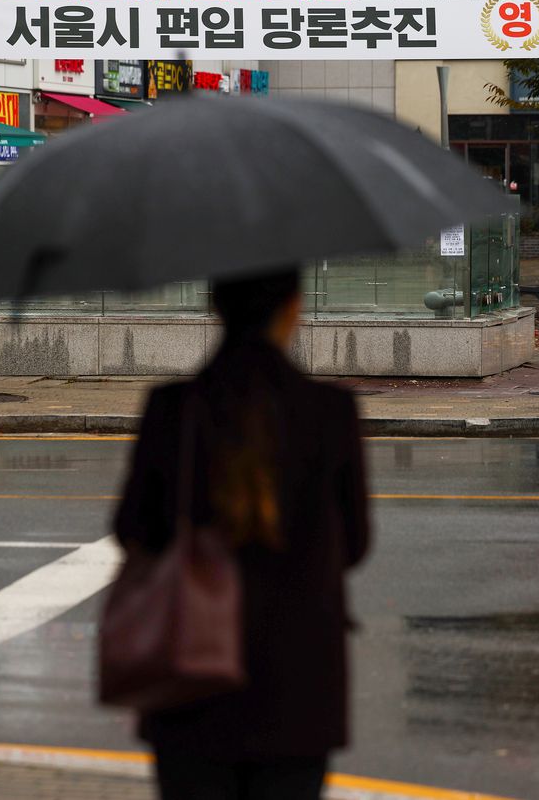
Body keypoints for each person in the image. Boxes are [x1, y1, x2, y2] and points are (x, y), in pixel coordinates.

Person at [113, 269, 370, 800]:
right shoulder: (331, 411)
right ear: (293, 308)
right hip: (299, 683)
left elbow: (132, 529)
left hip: (190, 678)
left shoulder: (174, 408)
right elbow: (356, 543)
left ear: (215, 306)